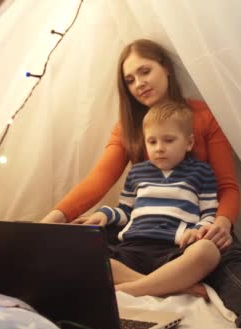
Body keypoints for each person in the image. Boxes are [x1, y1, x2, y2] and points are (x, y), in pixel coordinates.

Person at [42, 39, 241, 329]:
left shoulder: (202, 117)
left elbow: (227, 187)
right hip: (138, 237)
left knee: (223, 249)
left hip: (187, 235)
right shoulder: (128, 128)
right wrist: (55, 219)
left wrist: (220, 223)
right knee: (78, 243)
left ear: (166, 68)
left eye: (145, 71)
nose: (139, 83)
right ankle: (156, 285)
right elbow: (98, 181)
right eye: (129, 79)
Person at [83, 100, 221, 298]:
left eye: (169, 140)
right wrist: (105, 214)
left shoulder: (201, 171)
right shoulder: (138, 172)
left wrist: (197, 230)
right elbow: (126, 211)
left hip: (172, 251)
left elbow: (209, 214)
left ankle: (132, 288)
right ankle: (169, 286)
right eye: (152, 142)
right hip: (132, 247)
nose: (159, 148)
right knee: (86, 254)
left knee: (208, 251)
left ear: (189, 142)